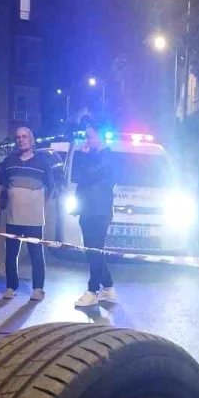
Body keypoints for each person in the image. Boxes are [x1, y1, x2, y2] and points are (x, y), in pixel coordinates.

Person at [0, 125, 60, 301]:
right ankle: (10, 287)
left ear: (31, 140)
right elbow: (3, 185)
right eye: (18, 137)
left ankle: (38, 288)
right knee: (11, 254)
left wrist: (38, 205)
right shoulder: (9, 161)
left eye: (24, 136)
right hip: (13, 217)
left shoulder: (42, 162)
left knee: (36, 255)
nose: (20, 139)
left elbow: (52, 188)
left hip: (35, 219)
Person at [72, 123, 116, 308]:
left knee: (94, 250)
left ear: (100, 135)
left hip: (99, 211)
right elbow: (78, 177)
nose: (87, 140)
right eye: (86, 136)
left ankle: (92, 290)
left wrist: (83, 155)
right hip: (87, 209)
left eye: (89, 136)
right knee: (91, 250)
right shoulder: (92, 156)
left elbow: (90, 175)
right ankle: (108, 287)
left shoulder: (108, 157)